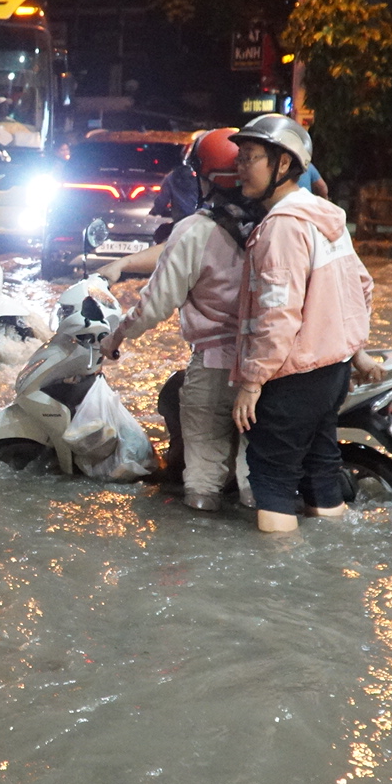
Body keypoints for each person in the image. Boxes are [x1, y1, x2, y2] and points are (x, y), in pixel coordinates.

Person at [228, 114, 375, 534]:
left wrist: (253, 382)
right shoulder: (325, 218)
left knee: (272, 476)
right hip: (332, 372)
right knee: (320, 469)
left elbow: (276, 315)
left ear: (284, 165)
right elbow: (363, 285)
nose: (239, 167)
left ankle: (276, 589)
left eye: (250, 158)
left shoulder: (282, 228)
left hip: (290, 376)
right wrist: (353, 349)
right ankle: (327, 570)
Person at [100, 128, 252, 511]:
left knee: (202, 475)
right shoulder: (280, 223)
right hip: (274, 364)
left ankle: (198, 542)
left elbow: (153, 306)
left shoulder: (196, 230)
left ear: (205, 178)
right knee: (259, 473)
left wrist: (116, 337)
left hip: (217, 366)